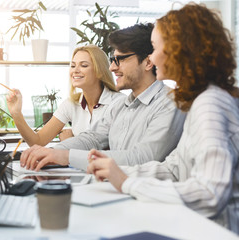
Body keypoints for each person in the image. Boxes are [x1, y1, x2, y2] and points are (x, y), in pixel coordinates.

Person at [87, 3, 239, 234]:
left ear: (178, 50)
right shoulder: (199, 99)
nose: (153, 57)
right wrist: (117, 172)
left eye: (155, 48)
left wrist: (128, 183)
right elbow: (174, 169)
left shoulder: (210, 105)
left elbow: (210, 194)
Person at [20, 23, 186, 171]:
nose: (112, 67)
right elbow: (91, 139)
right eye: (113, 59)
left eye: (119, 59)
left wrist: (67, 157)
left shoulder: (170, 104)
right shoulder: (121, 106)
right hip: (112, 190)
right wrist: (52, 152)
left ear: (148, 63)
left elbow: (143, 158)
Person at [6, 45, 123, 147]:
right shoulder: (71, 104)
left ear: (100, 71)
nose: (75, 70)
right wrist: (16, 114)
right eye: (73, 66)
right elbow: (38, 141)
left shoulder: (119, 104)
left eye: (84, 65)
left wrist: (71, 143)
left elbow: (118, 152)